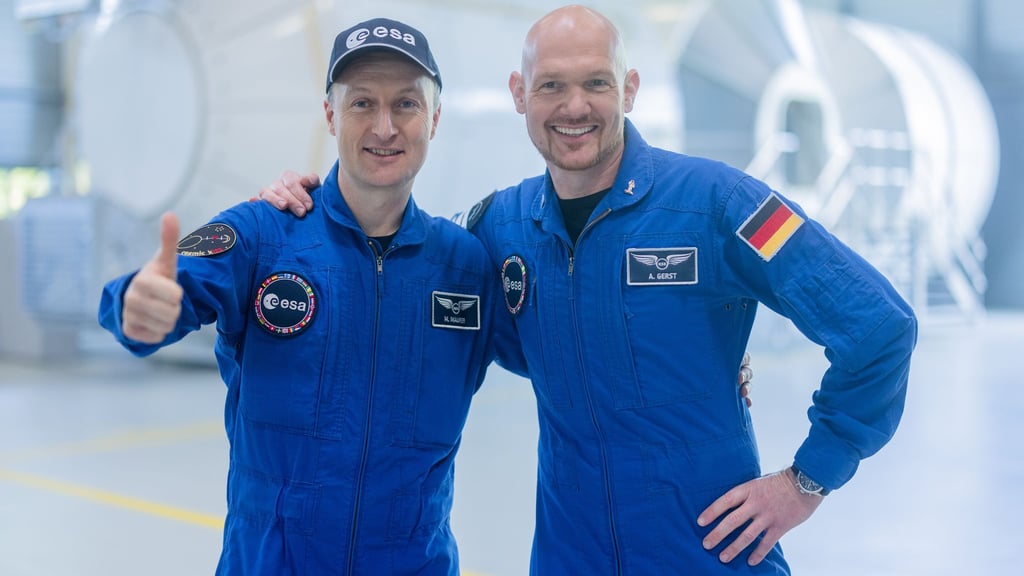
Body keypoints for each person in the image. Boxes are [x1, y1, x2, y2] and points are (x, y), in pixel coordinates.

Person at [261, 5, 912, 574]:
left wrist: (806, 481)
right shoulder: (499, 227)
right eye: (551, 85)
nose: (574, 107)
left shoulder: (720, 203)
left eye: (596, 83)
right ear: (520, 94)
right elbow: (398, 264)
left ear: (629, 89)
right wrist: (303, 210)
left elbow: (878, 324)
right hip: (571, 557)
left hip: (709, 555)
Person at [97, 17, 513, 575]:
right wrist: (134, 304)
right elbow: (167, 288)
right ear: (330, 114)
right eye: (362, 102)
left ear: (434, 119)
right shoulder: (261, 232)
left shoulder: (465, 267)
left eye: (406, 104)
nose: (385, 126)